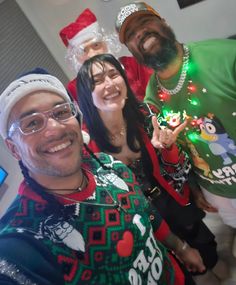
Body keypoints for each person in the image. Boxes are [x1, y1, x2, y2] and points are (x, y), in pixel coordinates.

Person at [0, 68, 205, 284]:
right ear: (13, 148)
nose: (54, 129)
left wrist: (180, 248)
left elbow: (145, 210)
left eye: (61, 112)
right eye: (31, 123)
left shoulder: (109, 165)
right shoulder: (22, 241)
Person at [76, 53, 221, 283]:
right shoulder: (88, 149)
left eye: (114, 74)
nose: (110, 83)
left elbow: (178, 171)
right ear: (86, 95)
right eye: (98, 80)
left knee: (206, 249)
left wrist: (169, 149)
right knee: (174, 269)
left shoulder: (146, 115)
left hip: (174, 200)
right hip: (142, 220)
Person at [115, 0, 236, 260]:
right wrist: (193, 184)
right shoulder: (151, 102)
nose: (140, 33)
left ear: (164, 23)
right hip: (220, 195)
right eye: (132, 35)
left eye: (145, 22)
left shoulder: (226, 56)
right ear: (133, 52)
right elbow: (177, 151)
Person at [59, 8, 153, 102]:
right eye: (83, 51)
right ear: (76, 58)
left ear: (107, 43)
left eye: (96, 45)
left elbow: (156, 96)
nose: (92, 54)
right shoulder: (75, 87)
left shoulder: (132, 63)